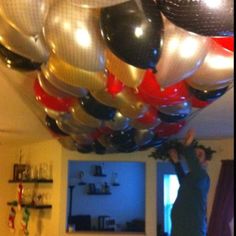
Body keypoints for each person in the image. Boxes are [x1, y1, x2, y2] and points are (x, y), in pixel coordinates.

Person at [168, 129, 215, 236]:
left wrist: (187, 146)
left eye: (199, 155)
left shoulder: (202, 176)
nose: (195, 157)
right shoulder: (192, 177)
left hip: (192, 228)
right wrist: (176, 162)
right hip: (181, 226)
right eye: (194, 155)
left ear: (206, 162)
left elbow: (194, 166)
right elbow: (183, 181)